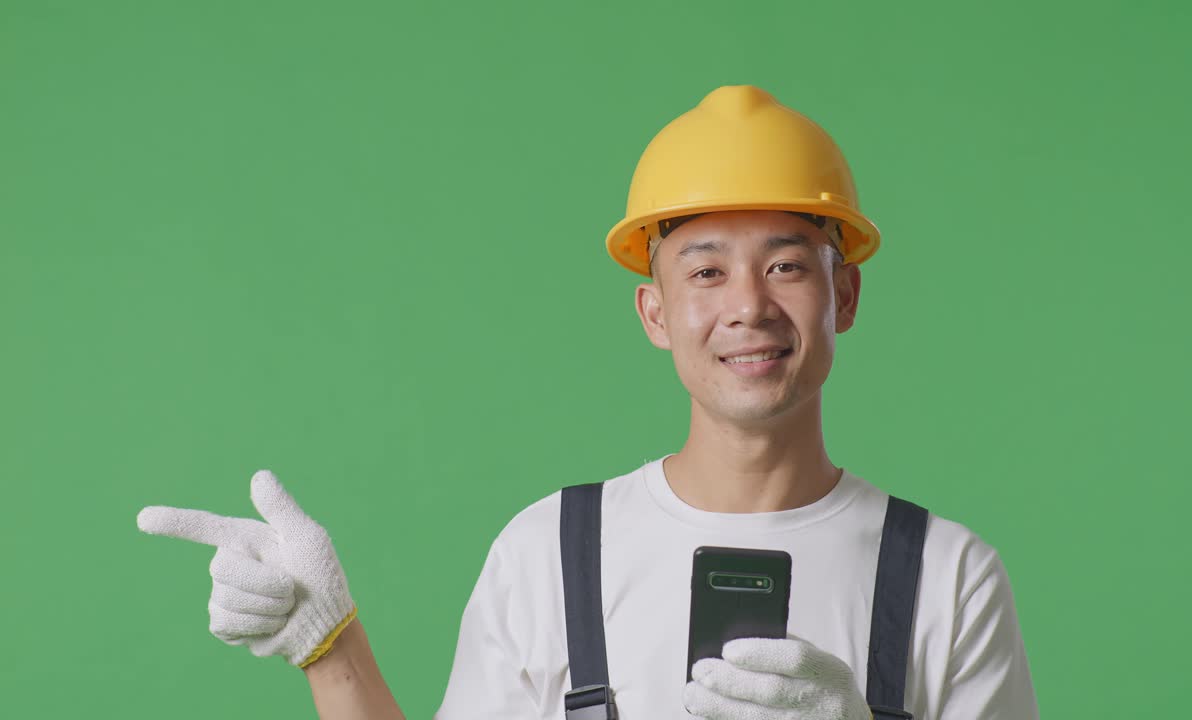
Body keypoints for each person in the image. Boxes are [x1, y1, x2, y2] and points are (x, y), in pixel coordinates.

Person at [136, 85, 1039, 720]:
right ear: (655, 313)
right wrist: (331, 650)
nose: (749, 307)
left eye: (786, 265)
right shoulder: (548, 556)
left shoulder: (949, 577)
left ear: (843, 296)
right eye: (707, 271)